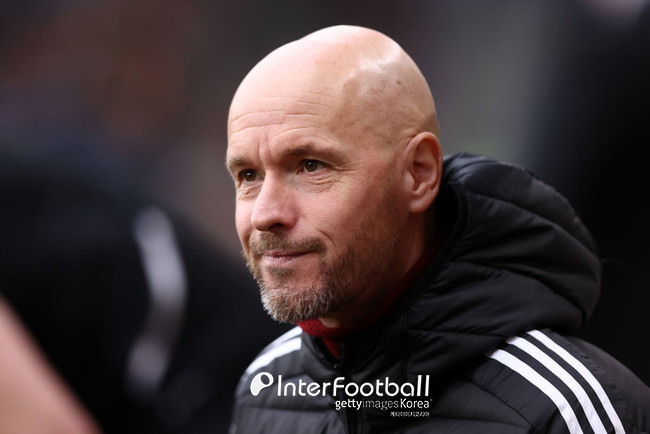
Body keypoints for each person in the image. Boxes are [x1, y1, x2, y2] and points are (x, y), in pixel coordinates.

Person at [226, 25, 650, 433]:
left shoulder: (563, 411)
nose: (265, 214)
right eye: (248, 175)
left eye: (310, 165)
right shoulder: (265, 390)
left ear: (418, 173)